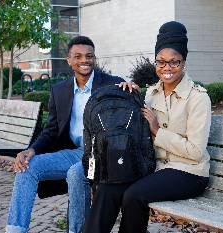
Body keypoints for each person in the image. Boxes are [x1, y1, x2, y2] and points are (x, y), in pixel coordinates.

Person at [83, 21, 211, 233]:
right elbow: (133, 126)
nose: (166, 68)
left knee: (134, 196)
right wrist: (128, 93)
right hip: (154, 168)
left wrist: (157, 131)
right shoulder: (150, 93)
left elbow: (196, 152)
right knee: (108, 188)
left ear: (184, 62)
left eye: (174, 62)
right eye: (161, 62)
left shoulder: (198, 98)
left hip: (189, 172)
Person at [6, 36, 124, 233]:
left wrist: (132, 89)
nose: (84, 60)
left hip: (102, 155)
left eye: (89, 56)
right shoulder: (60, 91)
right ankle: (15, 230)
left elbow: (130, 106)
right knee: (27, 167)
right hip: (74, 152)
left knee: (76, 172)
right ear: (69, 60)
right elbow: (51, 130)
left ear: (94, 58)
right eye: (77, 56)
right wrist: (31, 150)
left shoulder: (112, 84)